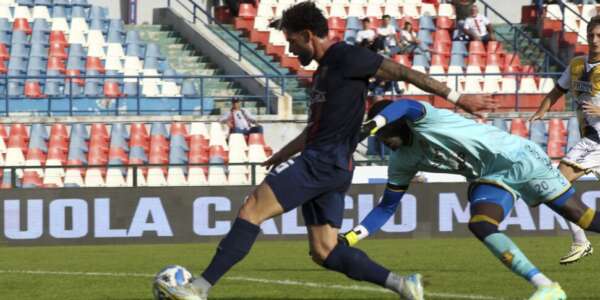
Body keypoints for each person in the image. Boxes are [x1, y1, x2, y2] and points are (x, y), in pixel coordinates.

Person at [156, 2, 496, 299]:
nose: (290, 50)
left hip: (324, 162)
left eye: (291, 41)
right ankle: (403, 284)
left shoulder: (346, 56)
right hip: (331, 164)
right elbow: (314, 129)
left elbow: (401, 72)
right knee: (324, 250)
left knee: (251, 210)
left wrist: (457, 98)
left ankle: (199, 288)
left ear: (307, 34)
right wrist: (281, 154)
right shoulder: (324, 73)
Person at [344, 99, 600, 299]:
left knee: (583, 218)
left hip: (519, 158)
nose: (382, 142)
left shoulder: (425, 118)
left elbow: (405, 105)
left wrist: (370, 126)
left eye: (382, 134)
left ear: (394, 123)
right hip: (491, 176)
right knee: (481, 224)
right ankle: (546, 287)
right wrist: (350, 237)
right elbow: (387, 207)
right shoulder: (401, 161)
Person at [529, 15, 600, 265]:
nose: (595, 40)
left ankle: (580, 241)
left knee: (555, 184)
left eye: (599, 36)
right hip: (592, 141)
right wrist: (542, 110)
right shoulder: (577, 65)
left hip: (596, 142)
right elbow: (557, 90)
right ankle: (580, 241)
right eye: (591, 35)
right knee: (555, 184)